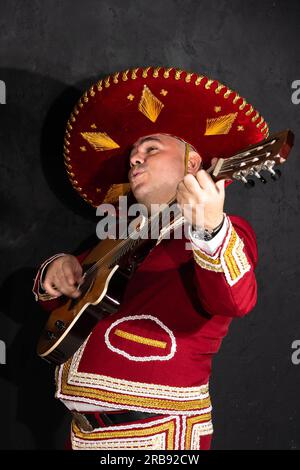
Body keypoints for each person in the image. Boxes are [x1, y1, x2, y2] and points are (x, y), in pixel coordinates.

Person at [33, 67, 268, 450]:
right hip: (83, 435)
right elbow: (54, 300)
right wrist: (57, 270)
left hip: (156, 435)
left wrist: (210, 228)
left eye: (151, 149)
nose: (134, 160)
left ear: (192, 164)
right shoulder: (117, 238)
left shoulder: (228, 230)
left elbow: (236, 299)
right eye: (132, 157)